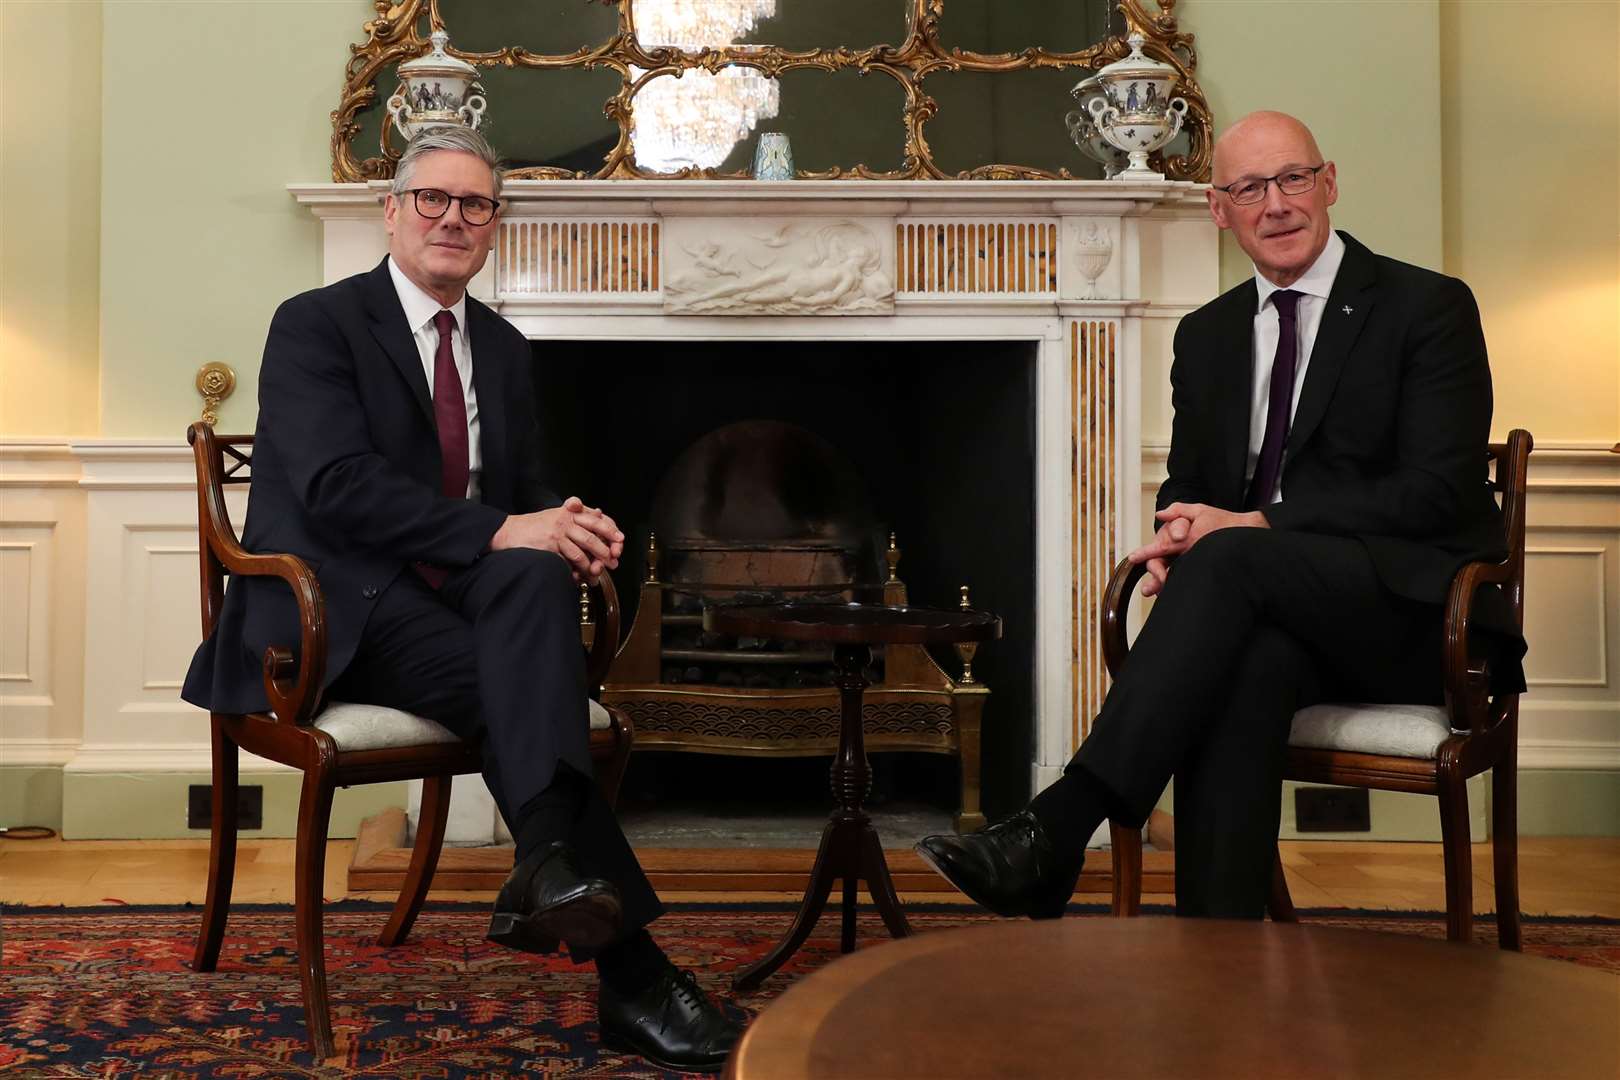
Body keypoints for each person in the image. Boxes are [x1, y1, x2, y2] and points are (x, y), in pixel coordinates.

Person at [181, 125, 741, 1073]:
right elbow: (335, 488)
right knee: (533, 693)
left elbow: (524, 500)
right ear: (391, 213)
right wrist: (503, 530)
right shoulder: (315, 323)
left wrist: (568, 525)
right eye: (433, 199)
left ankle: (553, 872)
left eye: (475, 205)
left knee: (529, 577)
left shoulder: (507, 350)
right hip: (334, 608)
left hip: (457, 606)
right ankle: (633, 972)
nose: (453, 218)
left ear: (494, 228)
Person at [916, 110, 1525, 919]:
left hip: (1416, 616)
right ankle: (1217, 959)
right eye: (1248, 188)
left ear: (1329, 182)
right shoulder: (1206, 336)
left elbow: (1437, 490)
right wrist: (1177, 531)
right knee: (1244, 665)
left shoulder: (1427, 307)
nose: (1275, 204)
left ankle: (1059, 825)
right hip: (1278, 617)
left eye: (1292, 179)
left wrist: (1253, 528)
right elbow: (1191, 485)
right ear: (1218, 208)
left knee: (1232, 562)